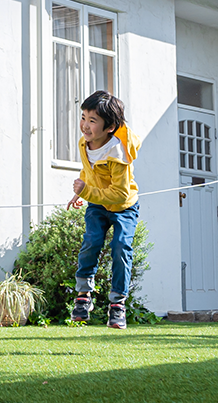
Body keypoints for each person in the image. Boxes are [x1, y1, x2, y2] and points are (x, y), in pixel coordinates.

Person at [66, 90, 141, 330]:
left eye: (92, 120)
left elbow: (119, 194)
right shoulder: (84, 143)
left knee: (120, 246)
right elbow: (88, 172)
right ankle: (83, 296)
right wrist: (80, 193)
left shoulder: (117, 154)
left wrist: (87, 191)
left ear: (109, 127)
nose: (85, 125)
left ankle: (117, 304)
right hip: (97, 204)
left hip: (123, 206)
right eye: (83, 117)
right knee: (91, 242)